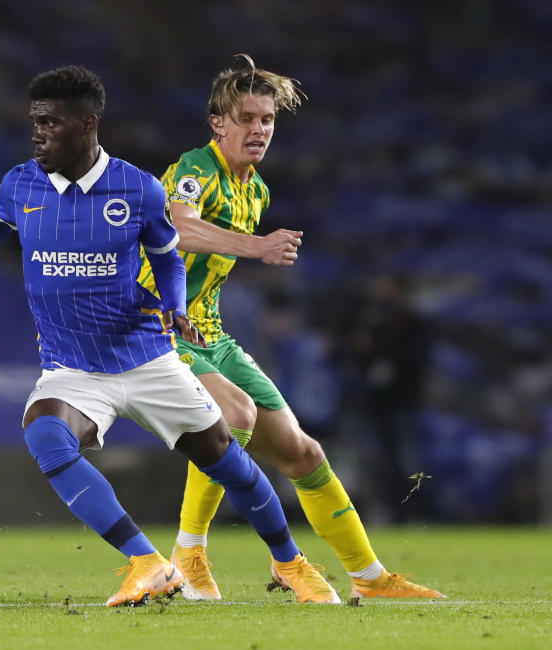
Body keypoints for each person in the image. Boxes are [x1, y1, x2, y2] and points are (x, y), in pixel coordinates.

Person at [0, 65, 340, 606]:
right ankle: (146, 563)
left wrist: (176, 308)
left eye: (50, 124)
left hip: (147, 358)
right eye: (34, 123)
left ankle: (291, 562)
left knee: (227, 459)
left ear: (87, 125)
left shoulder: (138, 188)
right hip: (76, 370)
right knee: (45, 436)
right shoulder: (21, 184)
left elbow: (169, 256)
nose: (37, 134)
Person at [138, 54, 444, 600]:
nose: (259, 130)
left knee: (304, 454)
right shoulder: (194, 169)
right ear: (218, 123)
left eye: (268, 121)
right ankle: (189, 553)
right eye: (248, 118)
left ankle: (371, 580)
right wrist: (256, 247)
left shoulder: (255, 189)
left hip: (208, 331)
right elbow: (178, 230)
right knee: (231, 418)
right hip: (154, 327)